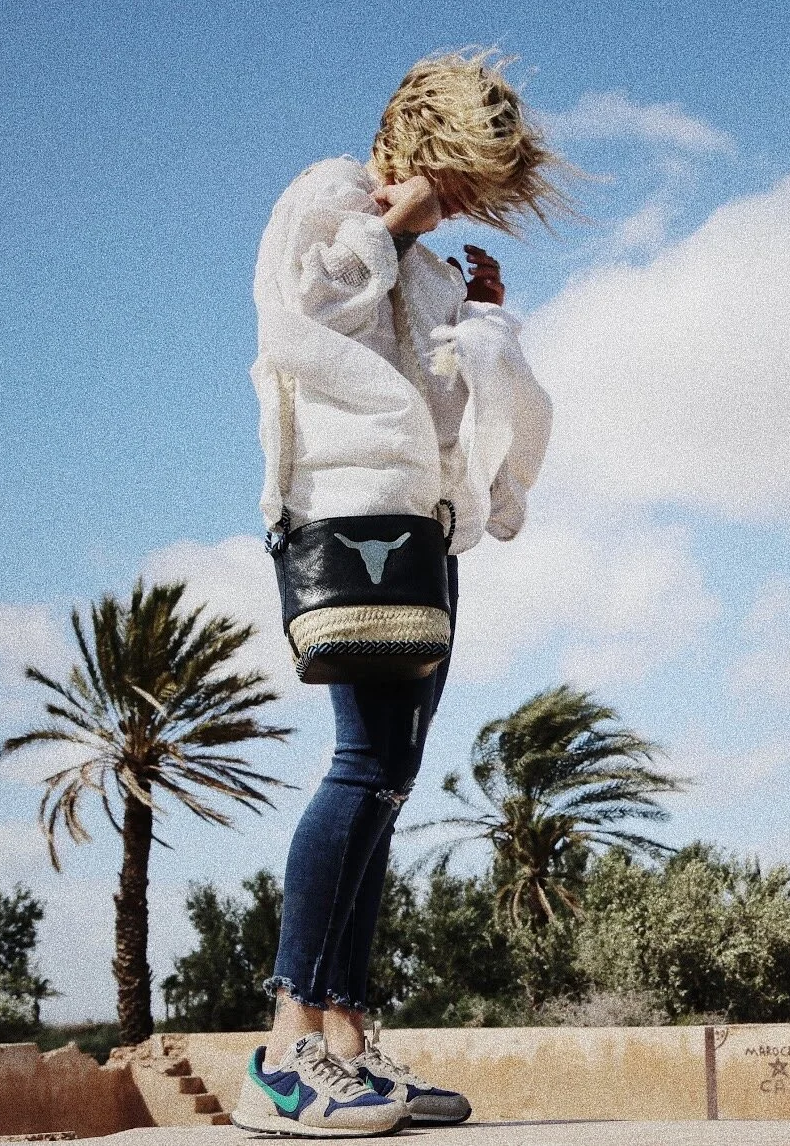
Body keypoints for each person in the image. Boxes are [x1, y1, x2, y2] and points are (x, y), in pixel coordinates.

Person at [231, 49, 563, 1138]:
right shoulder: (327, 194)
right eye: (460, 175)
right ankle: (283, 1055)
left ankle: (344, 1046)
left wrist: (478, 321)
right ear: (425, 140)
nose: (465, 200)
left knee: (391, 778)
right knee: (363, 765)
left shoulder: (423, 262)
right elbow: (301, 316)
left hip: (422, 528)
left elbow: (433, 402)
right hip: (347, 517)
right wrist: (391, 222)